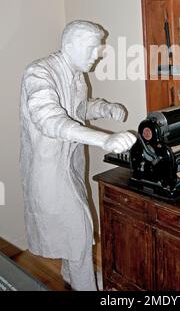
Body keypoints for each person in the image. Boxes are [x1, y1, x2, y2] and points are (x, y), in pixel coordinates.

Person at [20, 20, 136, 291]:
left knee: (73, 228)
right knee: (79, 231)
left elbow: (78, 109)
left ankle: (72, 274)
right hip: (48, 169)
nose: (98, 54)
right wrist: (105, 139)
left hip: (70, 163)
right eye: (93, 48)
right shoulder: (38, 73)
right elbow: (51, 121)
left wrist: (105, 108)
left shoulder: (76, 76)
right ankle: (85, 286)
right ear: (69, 46)